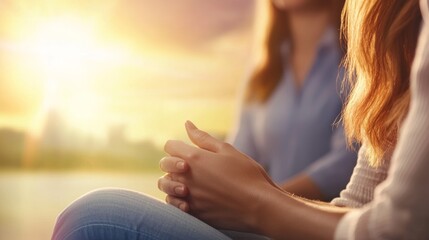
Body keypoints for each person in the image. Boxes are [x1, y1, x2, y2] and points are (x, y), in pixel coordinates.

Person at [52, 0, 429, 239]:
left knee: (95, 219)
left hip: (290, 214)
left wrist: (251, 197)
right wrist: (220, 183)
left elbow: (391, 223)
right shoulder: (264, 76)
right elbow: (357, 206)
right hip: (300, 217)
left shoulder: (354, 61)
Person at [229, 0, 356, 201]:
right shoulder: (262, 71)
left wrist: (264, 201)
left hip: (324, 224)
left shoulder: (360, 62)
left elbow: (348, 162)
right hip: (259, 222)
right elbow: (241, 153)